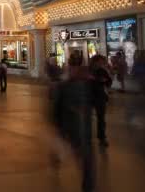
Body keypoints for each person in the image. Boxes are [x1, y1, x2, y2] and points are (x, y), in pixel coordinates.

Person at [53, 53, 96, 192]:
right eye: (73, 66)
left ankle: (88, 185)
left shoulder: (87, 84)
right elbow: (57, 109)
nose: (75, 69)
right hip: (72, 129)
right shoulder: (64, 86)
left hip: (82, 130)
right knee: (83, 156)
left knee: (86, 158)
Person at [89, 55, 112, 147]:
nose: (101, 64)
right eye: (100, 62)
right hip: (89, 96)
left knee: (101, 118)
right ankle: (87, 136)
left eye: (102, 62)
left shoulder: (102, 71)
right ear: (95, 61)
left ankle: (102, 137)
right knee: (87, 118)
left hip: (100, 97)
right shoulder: (88, 70)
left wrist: (105, 81)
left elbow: (109, 82)